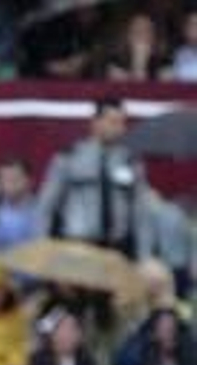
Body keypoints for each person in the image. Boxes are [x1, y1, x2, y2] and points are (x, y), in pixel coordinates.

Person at [36, 98, 152, 259]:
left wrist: (144, 255)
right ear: (95, 122)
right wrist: (40, 247)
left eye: (122, 123)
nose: (119, 128)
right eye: (113, 122)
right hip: (78, 245)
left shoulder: (130, 161)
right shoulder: (70, 157)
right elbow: (46, 205)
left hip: (116, 248)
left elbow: (141, 211)